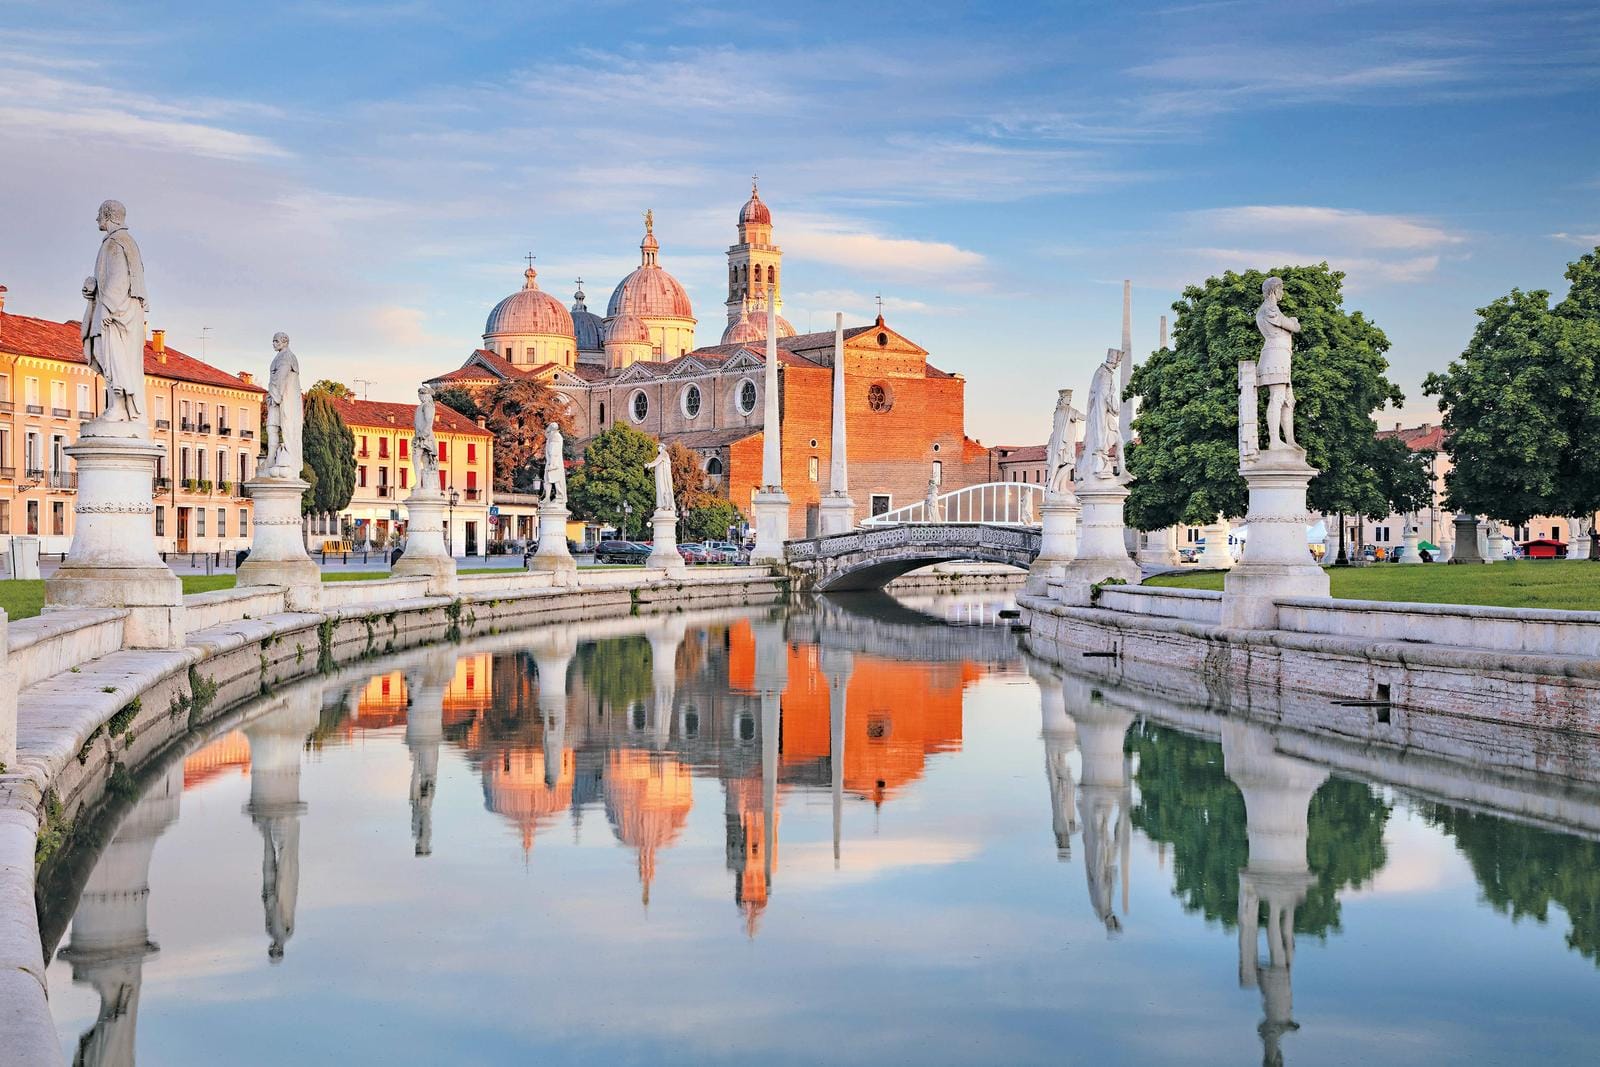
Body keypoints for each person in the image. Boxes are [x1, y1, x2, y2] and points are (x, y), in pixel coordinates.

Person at [82, 200, 148, 425]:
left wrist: (107, 306)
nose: (97, 218)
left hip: (117, 314)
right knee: (106, 355)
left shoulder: (117, 243)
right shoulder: (117, 242)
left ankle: (120, 406)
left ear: (108, 215)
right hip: (114, 309)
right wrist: (93, 288)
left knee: (114, 357)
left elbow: (120, 279)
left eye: (99, 213)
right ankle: (116, 404)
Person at [1255, 276, 1301, 449]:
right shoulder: (1270, 309)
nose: (1283, 292)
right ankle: (1275, 441)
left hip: (1280, 356)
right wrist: (1294, 321)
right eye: (1281, 289)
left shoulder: (1269, 309)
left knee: (1288, 400)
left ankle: (1289, 440)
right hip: (1275, 357)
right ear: (1274, 290)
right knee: (1277, 398)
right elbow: (1293, 326)